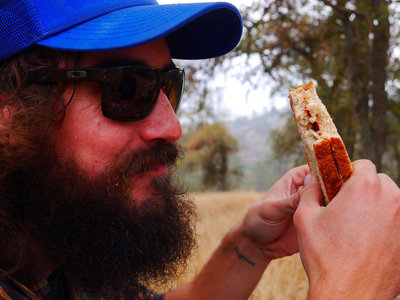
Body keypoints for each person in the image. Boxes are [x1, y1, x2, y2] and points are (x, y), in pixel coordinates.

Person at [1, 0, 400, 300]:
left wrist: (251, 244)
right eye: (125, 88)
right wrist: (352, 285)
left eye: (167, 86)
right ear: (10, 106)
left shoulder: (62, 240)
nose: (171, 127)